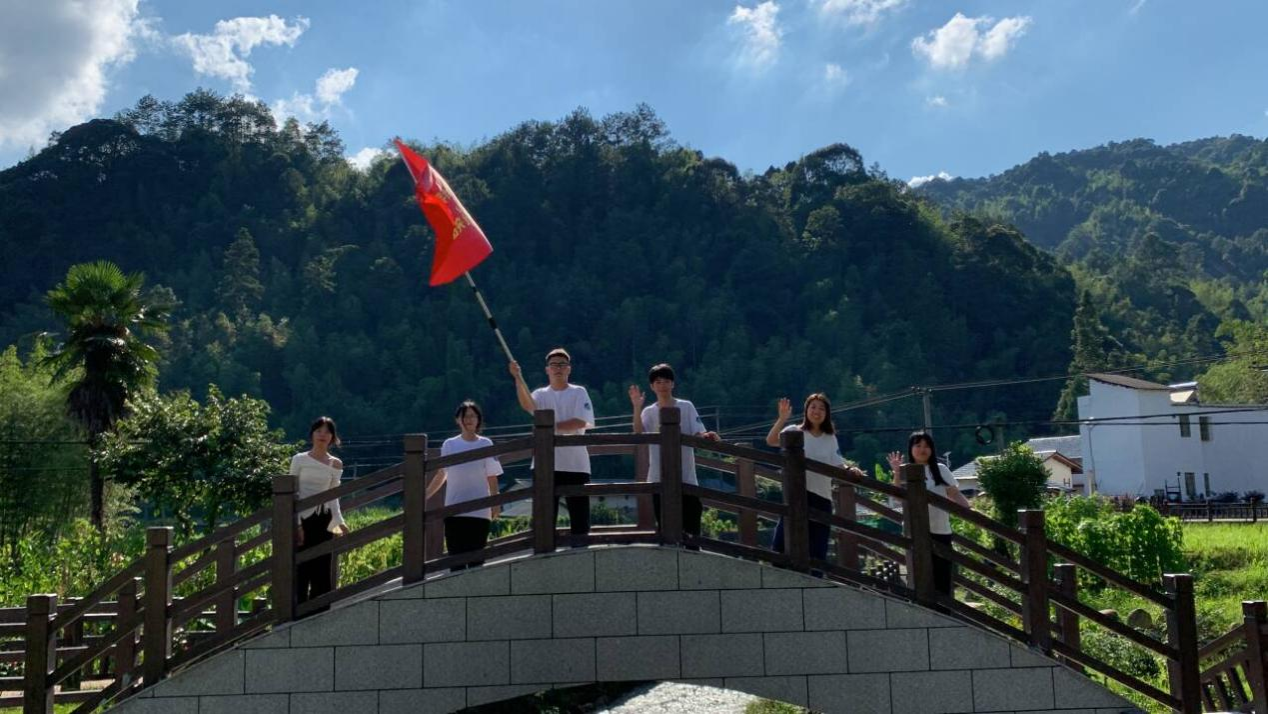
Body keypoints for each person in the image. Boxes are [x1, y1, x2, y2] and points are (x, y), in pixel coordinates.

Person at [767, 393, 864, 563]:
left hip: (822, 497)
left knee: (817, 548)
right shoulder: (794, 431)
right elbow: (771, 440)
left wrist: (850, 469)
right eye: (813, 407)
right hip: (796, 494)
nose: (816, 411)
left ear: (827, 413)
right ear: (806, 410)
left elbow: (838, 463)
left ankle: (815, 577)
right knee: (782, 544)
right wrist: (782, 419)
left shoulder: (829, 438)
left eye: (821, 408)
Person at [510, 348, 596, 537]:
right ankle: (545, 550)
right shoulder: (540, 394)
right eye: (554, 365)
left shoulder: (578, 392)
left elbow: (580, 421)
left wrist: (550, 428)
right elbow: (527, 405)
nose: (558, 368)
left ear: (569, 369)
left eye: (562, 364)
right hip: (545, 463)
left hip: (575, 464)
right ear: (547, 369)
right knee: (545, 518)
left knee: (580, 519)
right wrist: (517, 378)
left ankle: (581, 548)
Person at [629, 363, 720, 538]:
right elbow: (638, 433)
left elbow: (698, 432)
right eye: (658, 382)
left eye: (666, 381)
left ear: (673, 383)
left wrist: (707, 436)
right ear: (652, 386)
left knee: (692, 526)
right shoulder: (648, 411)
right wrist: (636, 406)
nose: (662, 385)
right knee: (665, 527)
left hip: (686, 475)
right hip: (658, 476)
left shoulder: (686, 406)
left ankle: (692, 553)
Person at [887, 431, 972, 597]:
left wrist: (969, 510)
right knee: (921, 577)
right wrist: (897, 472)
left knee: (943, 576)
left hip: (941, 530)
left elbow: (954, 494)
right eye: (918, 445)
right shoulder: (906, 470)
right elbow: (897, 497)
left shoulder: (940, 469)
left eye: (926, 446)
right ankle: (924, 609)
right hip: (916, 532)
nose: (922, 449)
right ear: (911, 449)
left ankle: (944, 610)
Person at [427, 401, 503, 572]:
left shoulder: (486, 443)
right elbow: (442, 473)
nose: (469, 420)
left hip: (480, 511)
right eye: (465, 416)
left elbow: (492, 477)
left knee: (477, 561)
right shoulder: (449, 444)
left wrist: (495, 502)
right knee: (456, 561)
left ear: (478, 419)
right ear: (458, 420)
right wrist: (425, 495)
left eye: (472, 416)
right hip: (454, 510)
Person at [290, 416, 349, 608]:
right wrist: (297, 524)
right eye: (319, 431)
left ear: (332, 437)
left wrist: (339, 521)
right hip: (302, 518)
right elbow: (293, 493)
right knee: (301, 565)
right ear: (312, 434)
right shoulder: (299, 459)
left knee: (322, 564)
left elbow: (333, 496)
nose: (322, 435)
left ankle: (321, 610)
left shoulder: (335, 463)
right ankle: (299, 610)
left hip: (323, 518)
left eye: (327, 431)